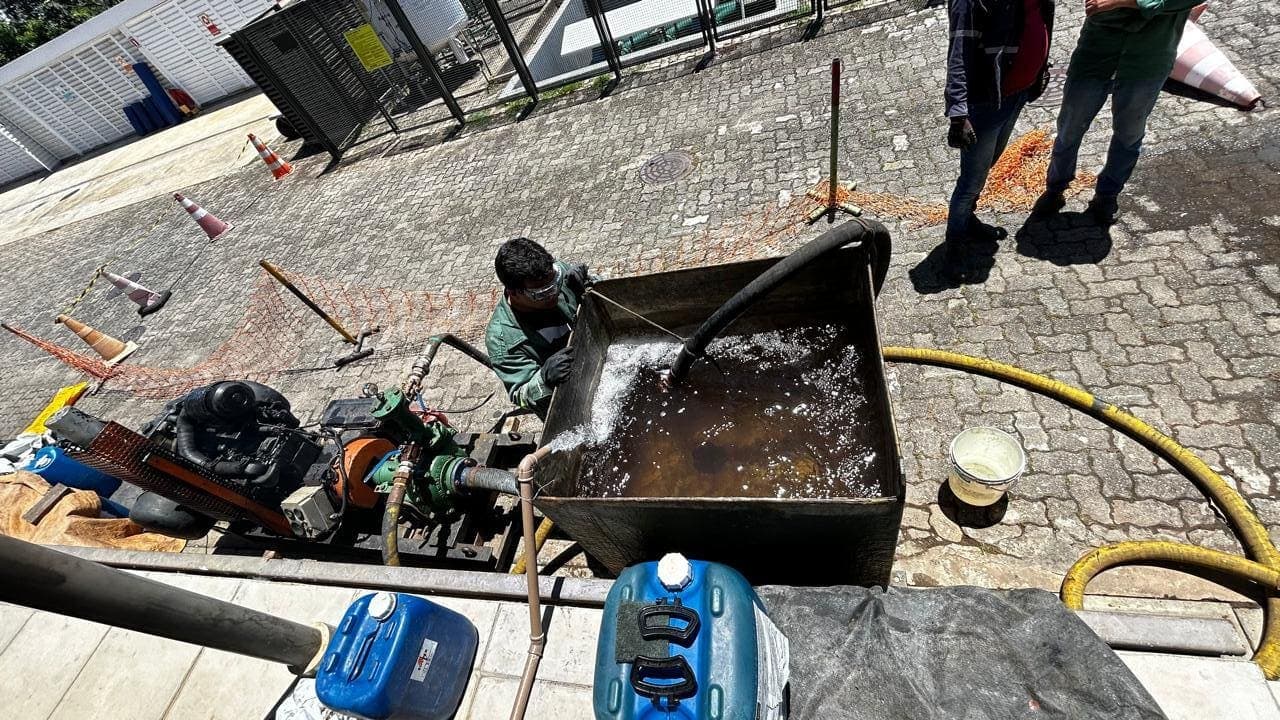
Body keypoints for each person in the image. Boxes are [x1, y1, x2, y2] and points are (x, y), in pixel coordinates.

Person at [1033, 0, 1200, 224]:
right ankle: (1055, 187)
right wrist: (1150, 9)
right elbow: (1096, 6)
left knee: (1129, 135)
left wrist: (1123, 3)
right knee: (1069, 128)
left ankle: (1107, 195)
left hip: (1147, 63)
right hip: (1095, 56)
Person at [944, 0, 1055, 259]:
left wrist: (1039, 70)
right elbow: (958, 53)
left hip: (1017, 93)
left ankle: (967, 219)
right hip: (987, 102)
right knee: (971, 180)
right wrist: (958, 114)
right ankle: (955, 242)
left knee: (988, 165)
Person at [485, 238, 592, 420]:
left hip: (591, 357)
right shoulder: (501, 340)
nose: (554, 293)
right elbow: (520, 395)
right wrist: (544, 379)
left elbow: (603, 300)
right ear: (514, 292)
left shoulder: (552, 274)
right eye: (542, 293)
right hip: (569, 402)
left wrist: (589, 284)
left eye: (555, 283)